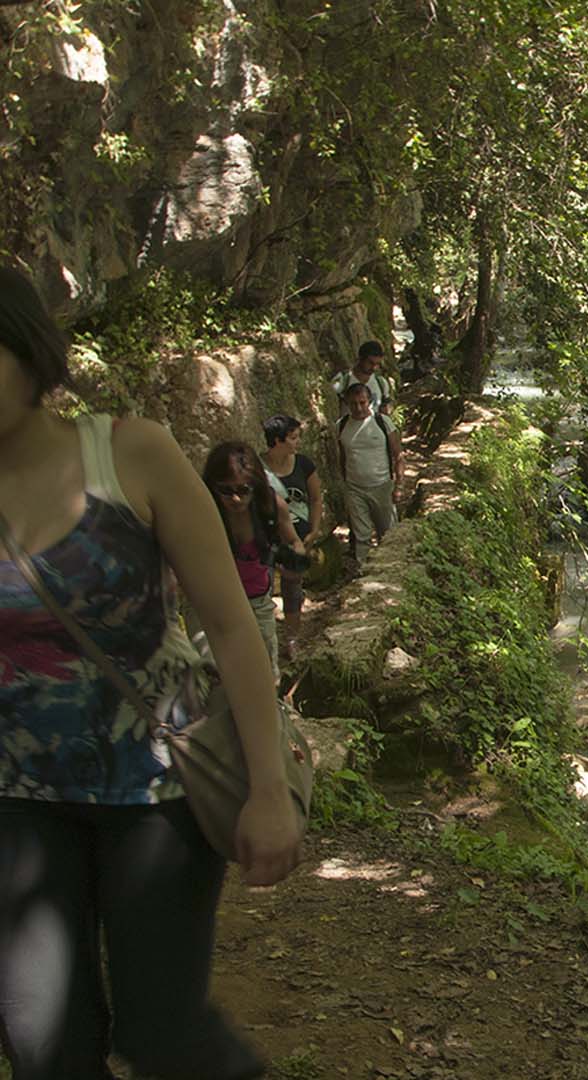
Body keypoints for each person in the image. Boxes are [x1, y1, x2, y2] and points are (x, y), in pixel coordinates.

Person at [0, 266, 299, 1080]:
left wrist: (269, 788)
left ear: (28, 353)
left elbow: (234, 628)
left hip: (154, 791)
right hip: (16, 801)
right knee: (42, 1046)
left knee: (162, 1035)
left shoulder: (129, 451)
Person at [200, 440, 305, 684]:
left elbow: (294, 541)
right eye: (226, 490)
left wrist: (294, 561)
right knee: (213, 672)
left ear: (255, 484)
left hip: (257, 598)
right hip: (213, 600)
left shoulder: (270, 506)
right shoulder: (203, 508)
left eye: (243, 489)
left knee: (265, 670)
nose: (235, 499)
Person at [261, 414, 324, 660]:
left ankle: (291, 639)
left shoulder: (303, 465)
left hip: (297, 538)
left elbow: (316, 498)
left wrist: (315, 528)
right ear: (277, 441)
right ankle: (266, 644)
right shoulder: (257, 468)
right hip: (266, 541)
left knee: (293, 589)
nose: (298, 443)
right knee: (262, 591)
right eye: (294, 438)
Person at [336, 380, 402, 562]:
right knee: (361, 535)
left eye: (362, 402)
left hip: (382, 486)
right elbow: (342, 457)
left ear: (370, 401)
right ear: (347, 404)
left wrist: (398, 485)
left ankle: (390, 568)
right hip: (354, 488)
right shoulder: (341, 426)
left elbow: (398, 455)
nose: (358, 407)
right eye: (353, 404)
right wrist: (345, 483)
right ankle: (362, 572)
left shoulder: (382, 422)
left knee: (388, 534)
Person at [330, 339, 393, 417]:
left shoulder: (381, 383)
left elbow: (387, 406)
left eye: (377, 364)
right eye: (370, 363)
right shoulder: (343, 380)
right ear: (360, 359)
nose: (374, 368)